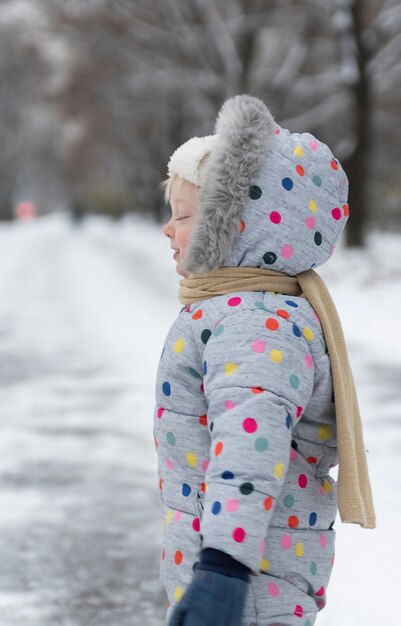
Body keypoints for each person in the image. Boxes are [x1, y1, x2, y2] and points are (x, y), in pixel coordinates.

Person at [154, 94, 375, 626]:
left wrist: (224, 567)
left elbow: (250, 442)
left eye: (184, 216)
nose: (168, 229)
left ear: (235, 226)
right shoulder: (245, 308)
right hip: (247, 558)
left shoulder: (256, 321)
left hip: (251, 575)